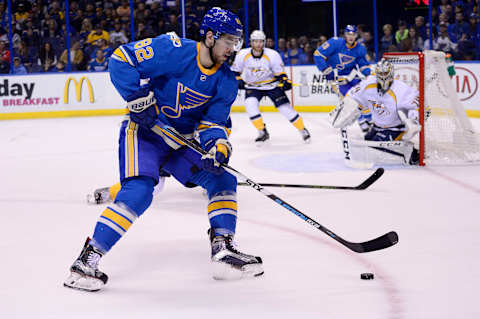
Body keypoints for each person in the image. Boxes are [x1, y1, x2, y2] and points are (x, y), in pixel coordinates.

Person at [64, 7, 263, 292]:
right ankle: (86, 261)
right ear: (209, 36)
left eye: (236, 42)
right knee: (140, 190)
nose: (233, 48)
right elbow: (122, 59)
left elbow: (213, 124)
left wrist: (217, 147)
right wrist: (137, 98)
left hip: (181, 142)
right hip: (144, 134)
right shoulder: (173, 49)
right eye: (229, 40)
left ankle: (223, 248)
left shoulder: (227, 81)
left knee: (223, 179)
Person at [329, 59, 420, 166]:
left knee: (375, 148)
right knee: (366, 143)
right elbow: (353, 95)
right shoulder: (368, 83)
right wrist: (347, 107)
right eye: (380, 73)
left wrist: (412, 120)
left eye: (385, 73)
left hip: (395, 128)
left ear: (391, 73)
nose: (382, 76)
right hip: (377, 126)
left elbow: (415, 105)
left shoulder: (401, 89)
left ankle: (412, 154)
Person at [231, 30, 311, 143]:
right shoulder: (242, 54)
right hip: (252, 87)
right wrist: (238, 80)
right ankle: (262, 131)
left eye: (260, 41)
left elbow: (280, 74)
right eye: (255, 41)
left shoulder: (272, 55)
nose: (258, 44)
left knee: (285, 109)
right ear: (251, 42)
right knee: (250, 106)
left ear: (264, 42)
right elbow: (235, 72)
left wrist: (284, 81)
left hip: (272, 85)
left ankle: (302, 130)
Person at [313, 25, 372, 132]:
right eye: (348, 34)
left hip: (352, 76)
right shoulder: (334, 43)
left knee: (364, 96)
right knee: (350, 100)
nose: (350, 37)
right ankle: (362, 121)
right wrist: (327, 71)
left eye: (353, 34)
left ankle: (369, 119)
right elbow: (318, 55)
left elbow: (362, 64)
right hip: (337, 78)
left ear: (356, 35)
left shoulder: (360, 48)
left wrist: (369, 74)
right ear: (344, 34)